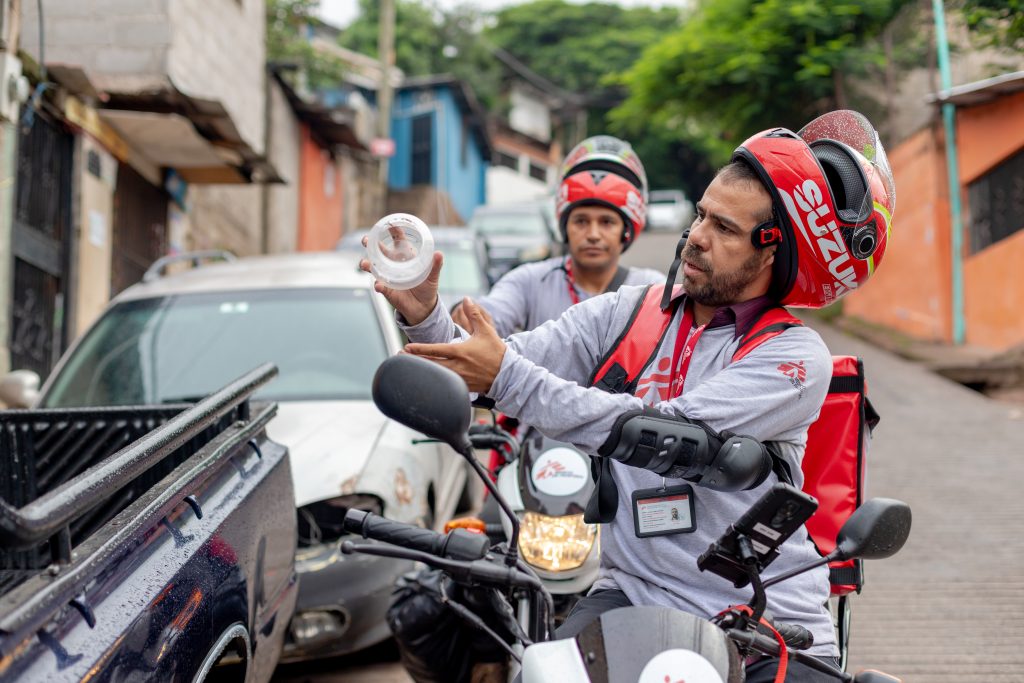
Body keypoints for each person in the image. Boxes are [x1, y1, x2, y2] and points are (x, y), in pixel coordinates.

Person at [362, 110, 896, 682]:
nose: (696, 237)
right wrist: (423, 313)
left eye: (726, 230)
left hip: (766, 621)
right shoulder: (627, 312)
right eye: (701, 215)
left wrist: (503, 377)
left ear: (772, 253)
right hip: (631, 595)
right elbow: (485, 363)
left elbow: (663, 433)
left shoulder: (793, 357)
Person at [451, 135, 663, 336]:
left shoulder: (651, 290)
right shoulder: (530, 281)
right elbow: (492, 313)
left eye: (607, 222)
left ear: (626, 231)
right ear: (564, 227)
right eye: (581, 221)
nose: (593, 234)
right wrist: (466, 316)